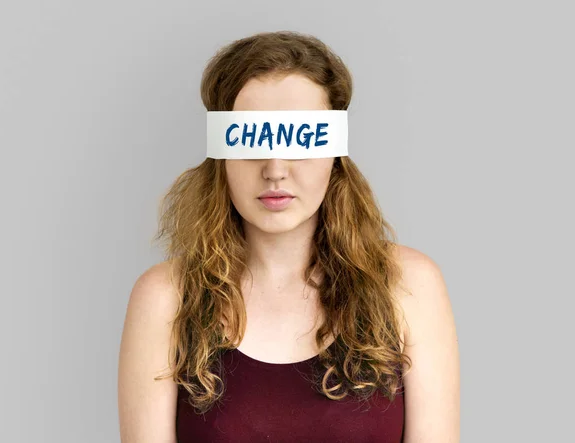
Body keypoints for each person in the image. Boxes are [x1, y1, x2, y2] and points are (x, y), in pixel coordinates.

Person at [118, 30, 460, 443]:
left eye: (301, 139)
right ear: (221, 154)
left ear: (336, 154)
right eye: (251, 140)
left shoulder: (409, 286)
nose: (275, 168)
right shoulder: (164, 298)